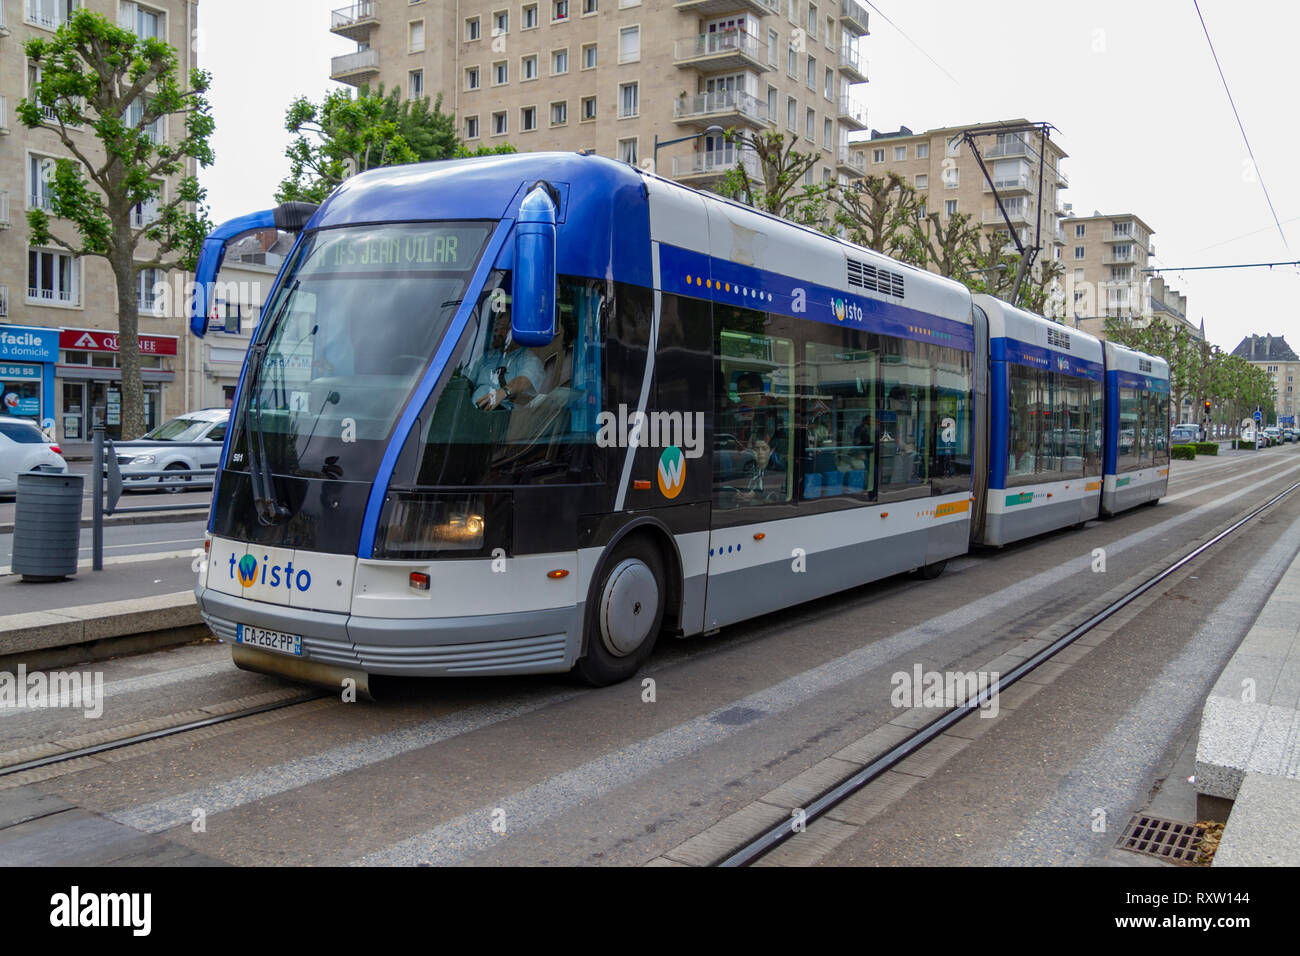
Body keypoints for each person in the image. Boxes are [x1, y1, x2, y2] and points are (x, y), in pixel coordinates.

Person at [468, 307, 545, 410]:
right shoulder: (487, 357)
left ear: (513, 330)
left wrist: (504, 392)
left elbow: (525, 380)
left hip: (501, 418)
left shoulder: (529, 360)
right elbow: (467, 381)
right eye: (495, 328)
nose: (496, 333)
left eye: (501, 328)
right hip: (469, 413)